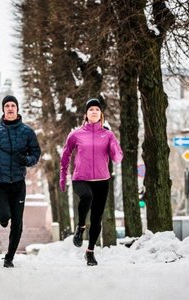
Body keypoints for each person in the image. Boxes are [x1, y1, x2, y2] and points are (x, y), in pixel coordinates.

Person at [59, 98, 123, 266]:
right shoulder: (76, 134)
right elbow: (65, 156)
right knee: (86, 197)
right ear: (86, 114)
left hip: (102, 181)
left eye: (97, 109)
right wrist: (62, 176)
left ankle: (90, 252)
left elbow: (117, 157)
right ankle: (80, 227)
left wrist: (113, 144)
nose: (94, 111)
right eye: (91, 109)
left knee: (96, 219)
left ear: (101, 113)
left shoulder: (107, 134)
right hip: (80, 178)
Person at [0, 95, 41, 268]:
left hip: (18, 183)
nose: (10, 108)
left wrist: (27, 160)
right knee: (4, 217)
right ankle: (3, 218)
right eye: (7, 105)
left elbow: (35, 153)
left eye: (13, 105)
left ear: (17, 108)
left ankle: (9, 257)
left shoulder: (27, 132)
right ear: (3, 109)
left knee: (18, 223)